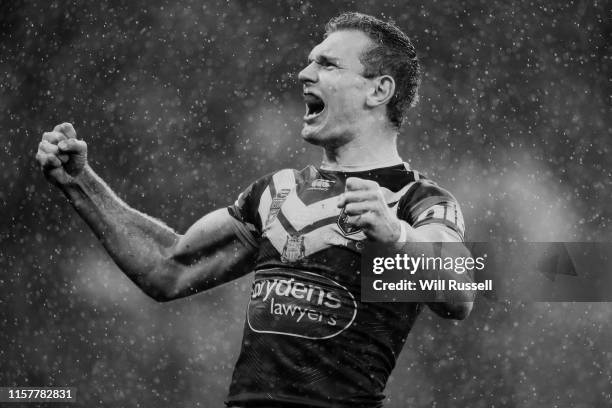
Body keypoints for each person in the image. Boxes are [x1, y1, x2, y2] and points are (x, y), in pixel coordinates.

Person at [36, 12, 474, 408]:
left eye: (327, 64)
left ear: (379, 90)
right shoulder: (276, 192)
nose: (305, 73)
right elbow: (166, 270)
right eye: (309, 61)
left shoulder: (417, 201)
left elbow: (461, 294)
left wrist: (396, 236)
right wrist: (80, 183)